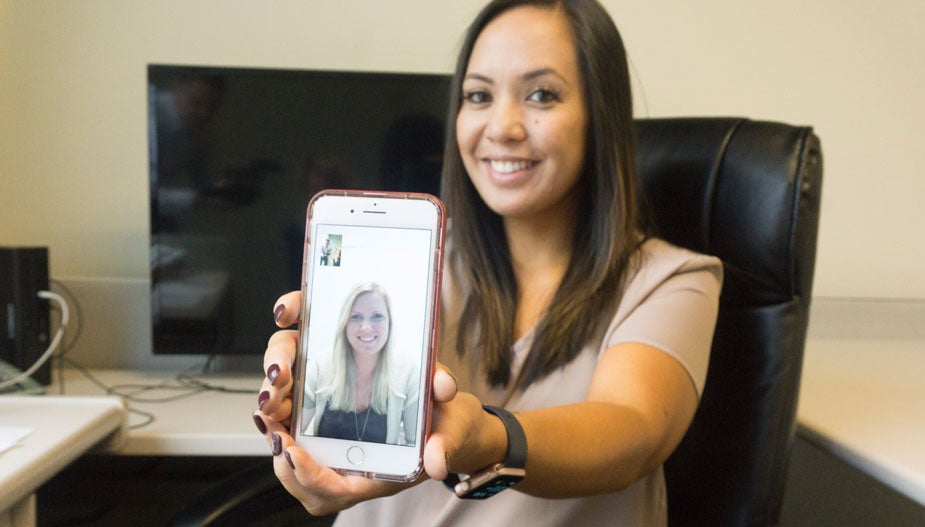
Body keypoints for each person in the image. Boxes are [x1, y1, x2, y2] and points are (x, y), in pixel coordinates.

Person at [254, 0, 722, 525]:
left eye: (541, 94)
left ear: (600, 117)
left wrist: (487, 438)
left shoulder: (672, 279)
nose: (501, 127)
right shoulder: (411, 263)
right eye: (479, 96)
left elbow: (633, 430)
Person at [299, 282, 419, 445]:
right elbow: (293, 437)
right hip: (320, 469)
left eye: (377, 316)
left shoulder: (409, 372)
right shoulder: (318, 367)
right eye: (356, 317)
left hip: (383, 470)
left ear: (389, 323)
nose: (366, 327)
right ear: (345, 325)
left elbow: (414, 448)